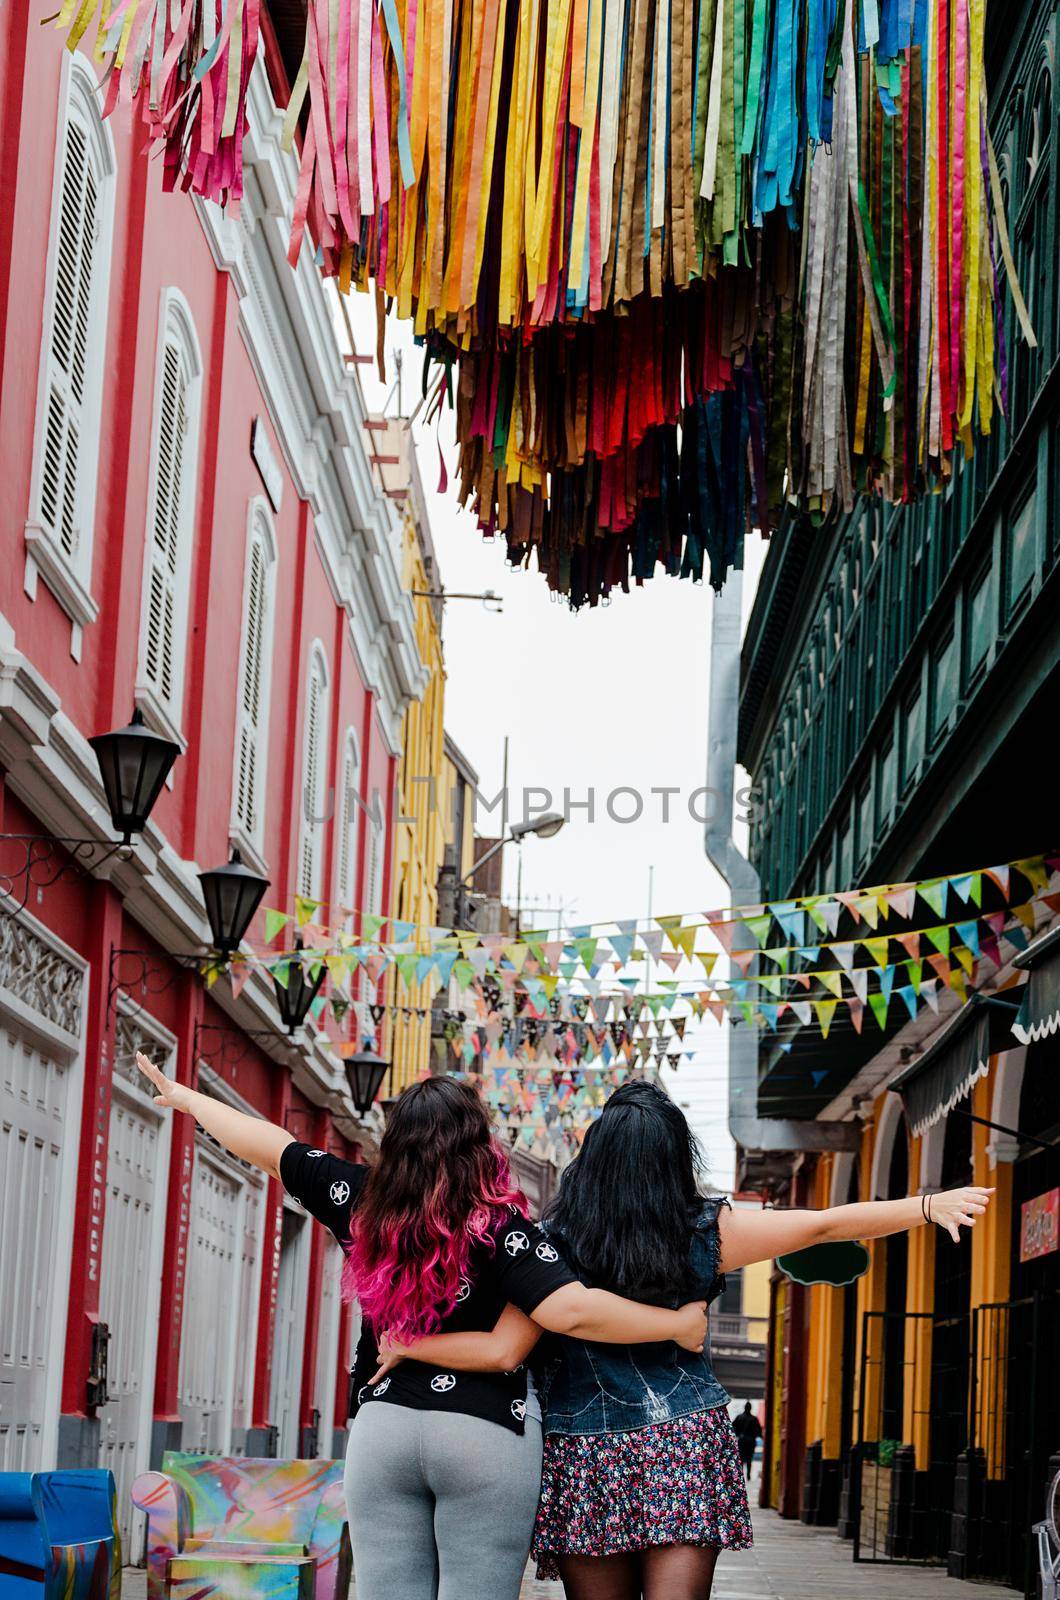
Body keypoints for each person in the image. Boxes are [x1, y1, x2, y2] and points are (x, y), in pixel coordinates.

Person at [373, 1079, 993, 1600]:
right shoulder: (706, 1231)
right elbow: (823, 1225)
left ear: (597, 1156)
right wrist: (926, 1206)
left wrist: (407, 1344)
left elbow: (503, 1345)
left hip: (580, 1450)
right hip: (683, 1439)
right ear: (674, 1156)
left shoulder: (546, 1241)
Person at [134, 1057, 709, 1600]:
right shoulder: (503, 1227)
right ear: (478, 1145)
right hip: (483, 1432)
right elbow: (571, 1311)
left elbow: (272, 1148)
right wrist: (677, 1324)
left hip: (384, 1430)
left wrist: (187, 1098)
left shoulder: (359, 1200)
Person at [731, 1403, 761, 1480]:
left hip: (741, 1441)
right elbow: (759, 1431)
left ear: (744, 1408)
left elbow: (732, 1427)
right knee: (749, 1459)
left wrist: (737, 1434)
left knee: (740, 1459)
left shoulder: (739, 1417)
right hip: (751, 1441)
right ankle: (748, 1475)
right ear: (750, 1408)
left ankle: (740, 1475)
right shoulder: (754, 1419)